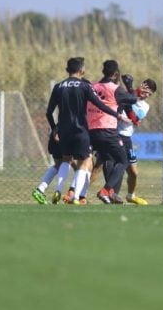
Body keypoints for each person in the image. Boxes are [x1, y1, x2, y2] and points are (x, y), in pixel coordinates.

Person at [45, 57, 120, 205]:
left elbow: (48, 112)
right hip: (81, 130)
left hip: (64, 131)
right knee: (85, 162)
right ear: (81, 70)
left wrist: (55, 129)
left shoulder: (59, 86)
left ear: (68, 70)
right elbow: (99, 104)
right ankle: (77, 196)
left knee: (66, 159)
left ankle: (59, 190)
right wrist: (115, 114)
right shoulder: (85, 86)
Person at [90, 75, 156, 205]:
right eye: (145, 91)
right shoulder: (124, 93)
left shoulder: (145, 106)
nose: (146, 95)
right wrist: (132, 93)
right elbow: (119, 104)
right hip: (112, 133)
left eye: (149, 94)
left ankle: (130, 196)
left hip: (126, 137)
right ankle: (82, 194)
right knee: (98, 166)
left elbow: (134, 118)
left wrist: (133, 94)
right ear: (142, 85)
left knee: (133, 172)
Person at [87, 60, 138, 204]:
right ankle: (106, 190)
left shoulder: (93, 86)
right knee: (123, 160)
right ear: (116, 73)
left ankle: (82, 194)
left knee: (106, 160)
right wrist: (129, 85)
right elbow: (133, 99)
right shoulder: (115, 89)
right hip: (107, 130)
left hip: (92, 131)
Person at [31, 125, 72, 205]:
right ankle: (59, 191)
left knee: (58, 165)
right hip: (68, 133)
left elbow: (49, 113)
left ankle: (40, 189)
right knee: (70, 162)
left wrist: (54, 129)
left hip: (55, 134)